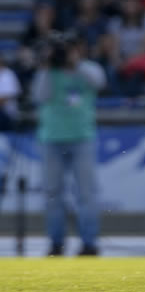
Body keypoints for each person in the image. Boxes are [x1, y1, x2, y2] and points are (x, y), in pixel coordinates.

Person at [31, 33, 104, 256]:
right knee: (52, 192)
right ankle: (56, 242)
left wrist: (75, 64)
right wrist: (47, 65)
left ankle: (89, 242)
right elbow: (40, 96)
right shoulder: (47, 72)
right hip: (52, 138)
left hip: (82, 136)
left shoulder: (89, 68)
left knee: (86, 192)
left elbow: (99, 83)